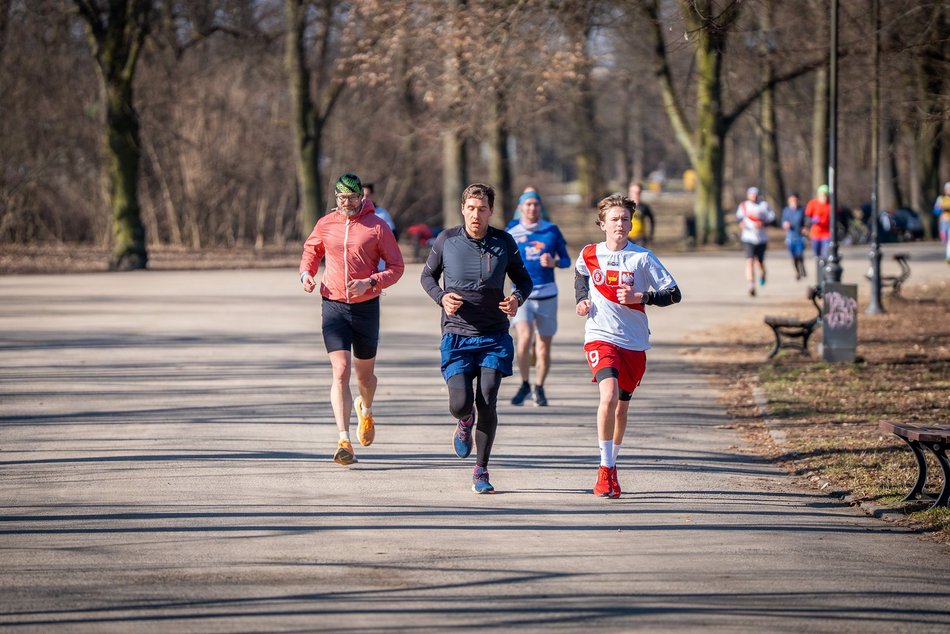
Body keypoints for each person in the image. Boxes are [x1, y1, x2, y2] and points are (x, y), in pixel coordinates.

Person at [421, 183, 533, 494]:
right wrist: (441, 297)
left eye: (482, 209)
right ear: (462, 209)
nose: (476, 214)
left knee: (488, 397)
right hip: (457, 334)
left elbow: (524, 279)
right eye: (471, 208)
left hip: (493, 335)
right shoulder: (447, 240)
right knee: (460, 404)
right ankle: (463, 421)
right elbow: (426, 277)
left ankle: (481, 469)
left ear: (491, 211)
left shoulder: (503, 242)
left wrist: (517, 299)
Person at [575, 193, 681, 498]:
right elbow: (581, 274)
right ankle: (603, 469)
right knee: (607, 396)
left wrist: (642, 297)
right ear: (602, 225)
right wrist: (582, 300)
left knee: (621, 408)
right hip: (599, 335)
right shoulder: (589, 253)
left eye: (624, 219)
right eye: (614, 219)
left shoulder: (643, 258)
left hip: (634, 342)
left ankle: (613, 466)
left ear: (631, 224)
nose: (620, 224)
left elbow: (674, 294)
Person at [299, 173, 405, 466]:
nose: (346, 203)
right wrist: (306, 274)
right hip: (333, 305)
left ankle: (366, 409)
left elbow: (397, 267)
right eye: (341, 198)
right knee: (340, 370)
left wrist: (371, 282)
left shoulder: (377, 227)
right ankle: (343, 439)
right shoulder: (325, 223)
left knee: (364, 377)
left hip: (366, 308)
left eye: (351, 197)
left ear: (362, 198)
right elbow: (312, 250)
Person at [505, 189, 571, 407]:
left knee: (543, 346)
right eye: (528, 204)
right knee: (523, 340)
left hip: (547, 294)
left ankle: (539, 387)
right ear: (520, 208)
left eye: (536, 204)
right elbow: (500, 262)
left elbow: (567, 261)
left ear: (540, 207)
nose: (532, 208)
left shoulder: (551, 231)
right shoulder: (511, 232)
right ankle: (524, 383)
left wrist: (554, 262)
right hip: (522, 295)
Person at [736, 186, 775, 297]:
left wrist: (763, 224)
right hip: (748, 238)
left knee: (760, 263)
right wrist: (741, 224)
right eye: (751, 194)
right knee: (749, 261)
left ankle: (763, 274)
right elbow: (739, 218)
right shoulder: (743, 206)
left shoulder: (764, 206)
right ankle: (751, 284)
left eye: (755, 194)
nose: (753, 196)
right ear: (748, 195)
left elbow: (772, 218)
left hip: (761, 238)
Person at [781, 192, 808, 280]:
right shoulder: (786, 210)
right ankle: (797, 271)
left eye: (795, 200)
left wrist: (805, 227)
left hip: (800, 236)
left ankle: (802, 267)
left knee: (799, 254)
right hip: (791, 236)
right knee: (794, 257)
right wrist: (785, 224)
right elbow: (783, 221)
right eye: (792, 200)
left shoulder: (802, 210)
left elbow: (806, 221)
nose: (794, 202)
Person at [806, 184, 832, 260]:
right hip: (815, 233)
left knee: (825, 253)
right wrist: (811, 221)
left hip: (826, 233)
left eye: (826, 195)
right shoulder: (813, 203)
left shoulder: (830, 205)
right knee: (816, 254)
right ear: (819, 195)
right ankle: (818, 269)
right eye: (822, 195)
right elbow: (807, 217)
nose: (824, 197)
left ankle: (824, 269)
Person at [626, 182, 655, 246]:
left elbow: (652, 221)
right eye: (633, 191)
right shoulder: (624, 206)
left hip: (640, 238)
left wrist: (651, 235)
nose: (635, 194)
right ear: (629, 192)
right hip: (626, 237)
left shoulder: (644, 207)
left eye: (638, 192)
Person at [933, 181, 950, 263]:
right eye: (948, 189)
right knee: (945, 240)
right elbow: (935, 211)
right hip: (943, 222)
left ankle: (948, 257)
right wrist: (942, 208)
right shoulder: (941, 199)